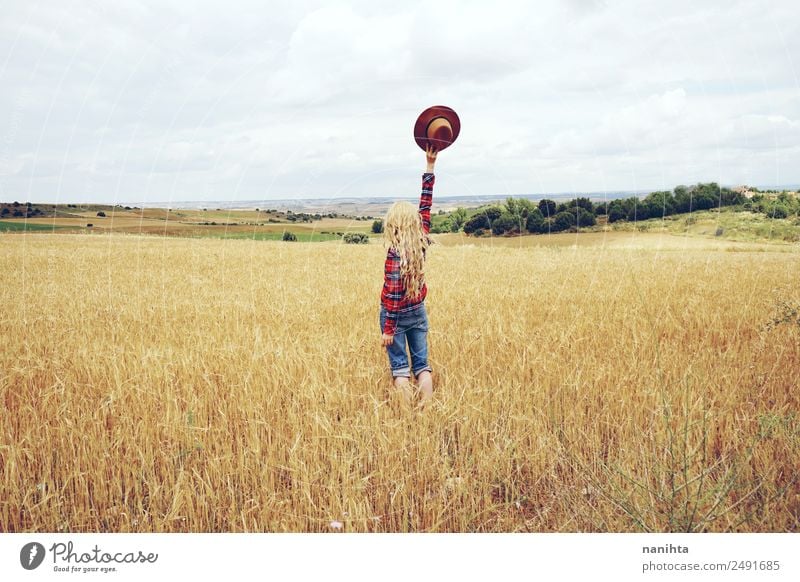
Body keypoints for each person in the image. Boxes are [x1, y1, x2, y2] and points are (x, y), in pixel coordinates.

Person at [379, 144, 438, 407]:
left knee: (401, 370)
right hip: (418, 311)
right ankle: (426, 411)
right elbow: (425, 205)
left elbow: (392, 296)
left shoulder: (394, 254)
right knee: (422, 366)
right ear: (414, 223)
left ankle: (405, 418)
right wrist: (430, 166)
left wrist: (388, 329)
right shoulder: (421, 243)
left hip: (398, 315)